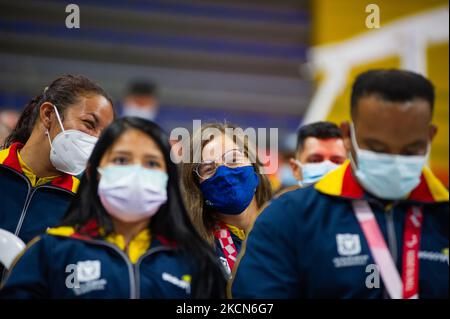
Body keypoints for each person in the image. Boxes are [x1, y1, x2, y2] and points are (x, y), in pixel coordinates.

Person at [231, 69, 449, 299]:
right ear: (347, 135)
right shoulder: (288, 218)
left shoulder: (444, 215)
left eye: (409, 150)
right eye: (377, 148)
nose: (394, 160)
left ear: (430, 137)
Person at [0, 117, 226, 299]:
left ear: (168, 180)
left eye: (151, 163)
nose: (136, 172)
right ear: (92, 173)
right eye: (121, 160)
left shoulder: (197, 262)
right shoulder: (50, 251)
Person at [0, 75, 114, 244]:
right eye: (89, 124)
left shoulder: (84, 204)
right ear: (48, 115)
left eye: (103, 135)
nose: (96, 140)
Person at [181, 122, 272, 277]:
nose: (223, 173)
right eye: (209, 169)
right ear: (197, 188)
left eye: (233, 160)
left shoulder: (289, 229)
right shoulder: (194, 250)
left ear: (255, 168)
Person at [289, 121, 346, 188]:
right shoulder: (285, 198)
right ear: (295, 169)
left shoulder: (359, 198)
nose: (327, 166)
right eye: (315, 160)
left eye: (337, 161)